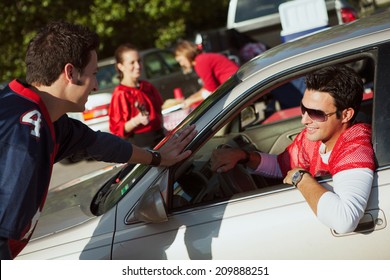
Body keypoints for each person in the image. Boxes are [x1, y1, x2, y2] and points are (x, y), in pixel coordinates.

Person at [0, 21, 196, 260]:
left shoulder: (29, 109)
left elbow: (97, 144)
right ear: (70, 73)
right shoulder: (28, 132)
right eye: (93, 74)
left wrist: (157, 158)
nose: (95, 86)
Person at [211, 65, 375, 234]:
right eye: (303, 109)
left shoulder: (355, 147)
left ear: (346, 115)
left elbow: (345, 221)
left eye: (316, 114)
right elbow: (281, 166)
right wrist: (243, 156)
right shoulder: (315, 139)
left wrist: (301, 178)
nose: (304, 120)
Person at [109, 43, 165, 148]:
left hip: (160, 137)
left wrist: (163, 129)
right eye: (132, 63)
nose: (138, 66)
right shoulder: (121, 93)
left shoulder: (147, 86)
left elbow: (159, 112)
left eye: (139, 61)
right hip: (140, 145)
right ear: (120, 66)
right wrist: (136, 120)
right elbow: (117, 129)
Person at [174, 40, 239, 108]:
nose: (181, 64)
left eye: (180, 60)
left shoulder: (200, 62)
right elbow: (207, 87)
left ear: (187, 53)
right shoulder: (201, 59)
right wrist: (192, 97)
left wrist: (191, 101)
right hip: (233, 85)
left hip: (234, 88)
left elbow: (211, 89)